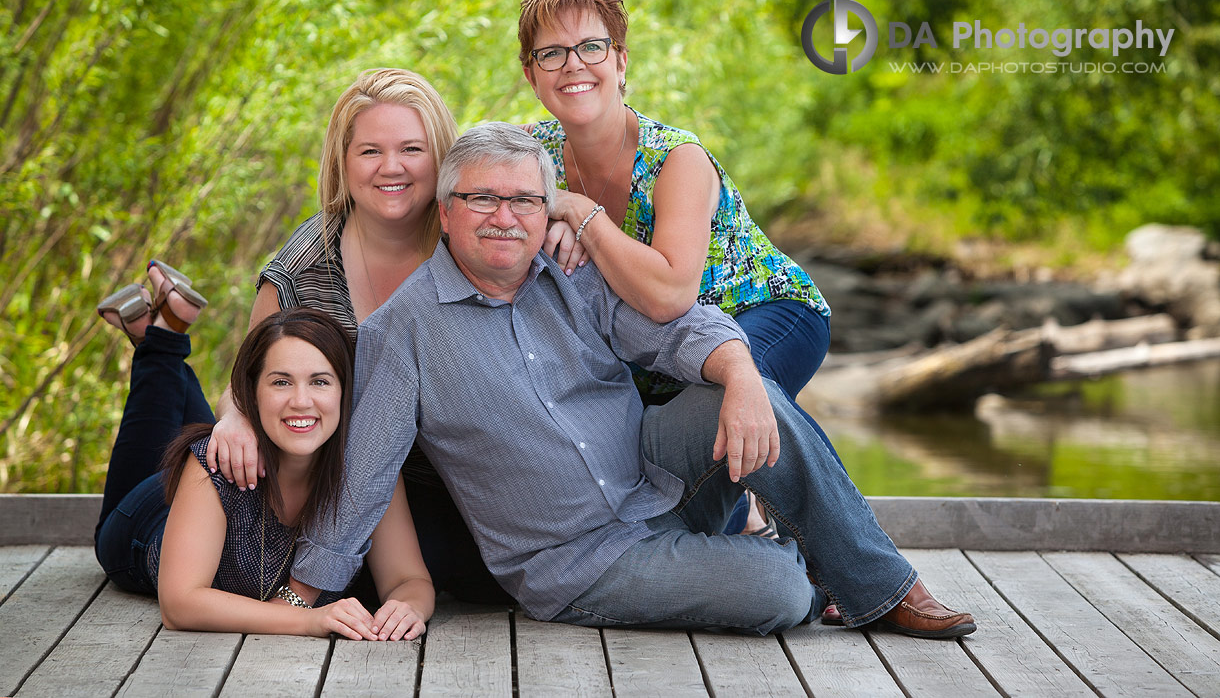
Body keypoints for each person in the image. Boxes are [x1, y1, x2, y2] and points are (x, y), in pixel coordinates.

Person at [284, 123, 976, 639]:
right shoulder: (399, 334)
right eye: (483, 199)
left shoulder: (572, 273)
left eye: (525, 200)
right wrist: (300, 595)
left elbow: (674, 329)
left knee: (749, 389)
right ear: (446, 211)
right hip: (577, 560)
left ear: (546, 210)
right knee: (779, 590)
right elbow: (364, 470)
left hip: (652, 478)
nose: (506, 217)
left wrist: (737, 368)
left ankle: (882, 585)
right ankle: (791, 558)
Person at [517, 0, 836, 539]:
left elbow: (669, 295)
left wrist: (579, 213)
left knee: (740, 394)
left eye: (591, 47)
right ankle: (745, 527)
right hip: (655, 358)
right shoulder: (531, 154)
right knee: (673, 478)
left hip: (760, 311)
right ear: (531, 72)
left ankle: (838, 563)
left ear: (619, 62)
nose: (573, 65)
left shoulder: (676, 160)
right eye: (552, 53)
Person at [203, 68, 507, 602]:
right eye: (370, 151)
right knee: (138, 518)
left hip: (459, 484)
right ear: (343, 164)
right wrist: (233, 415)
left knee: (479, 576)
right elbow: (246, 379)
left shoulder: (475, 243)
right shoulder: (303, 268)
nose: (392, 168)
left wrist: (570, 213)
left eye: (411, 148)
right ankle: (159, 352)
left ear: (441, 158)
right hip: (350, 492)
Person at [95, 266, 432, 639]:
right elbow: (179, 604)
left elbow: (409, 579)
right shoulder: (210, 464)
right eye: (281, 382)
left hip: (214, 482)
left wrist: (409, 606)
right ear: (251, 393)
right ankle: (159, 341)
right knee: (136, 487)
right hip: (142, 530)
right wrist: (308, 620)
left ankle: (165, 331)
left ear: (345, 392)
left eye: (320, 381)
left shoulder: (367, 466)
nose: (301, 401)